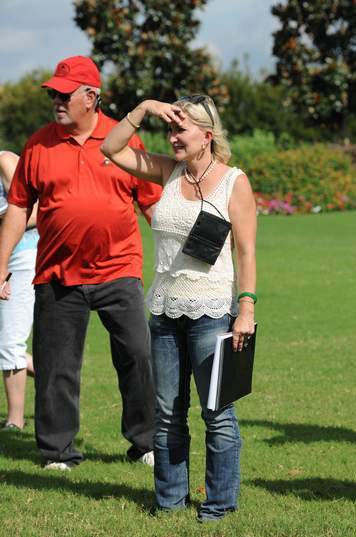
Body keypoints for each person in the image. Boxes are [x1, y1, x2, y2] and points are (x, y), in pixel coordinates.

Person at [0, 56, 161, 470]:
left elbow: (151, 203)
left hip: (119, 269)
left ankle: (145, 442)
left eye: (64, 93)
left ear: (90, 97)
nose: (55, 99)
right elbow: (18, 209)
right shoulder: (38, 144)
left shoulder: (122, 140)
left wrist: (177, 254)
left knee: (138, 357)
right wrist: (1, 263)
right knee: (56, 367)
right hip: (57, 273)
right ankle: (57, 451)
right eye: (52, 92)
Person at [101, 94, 256, 521]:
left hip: (211, 310)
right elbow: (111, 148)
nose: (172, 137)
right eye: (169, 129)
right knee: (167, 413)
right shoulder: (168, 172)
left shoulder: (233, 182)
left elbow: (246, 253)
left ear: (206, 136)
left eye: (180, 129)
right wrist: (144, 108)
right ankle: (169, 502)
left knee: (216, 412)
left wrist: (246, 308)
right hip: (165, 311)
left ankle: (220, 505)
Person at [0, 151, 36, 430]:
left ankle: (15, 420)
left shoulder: (5, 161)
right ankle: (59, 380)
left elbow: (35, 212)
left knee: (10, 341)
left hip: (21, 257)